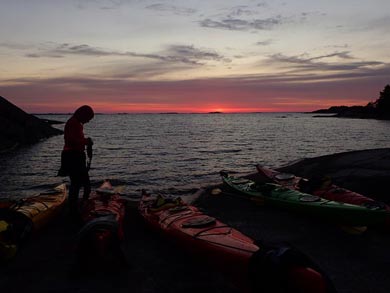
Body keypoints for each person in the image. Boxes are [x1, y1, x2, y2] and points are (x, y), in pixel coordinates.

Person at [58, 105, 94, 220]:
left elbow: (73, 140)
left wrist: (84, 142)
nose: (88, 121)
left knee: (78, 183)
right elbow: (70, 140)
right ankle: (75, 210)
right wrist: (86, 141)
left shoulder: (76, 123)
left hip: (74, 155)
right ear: (83, 114)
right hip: (73, 156)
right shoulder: (73, 122)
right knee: (80, 184)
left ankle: (77, 207)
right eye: (88, 118)